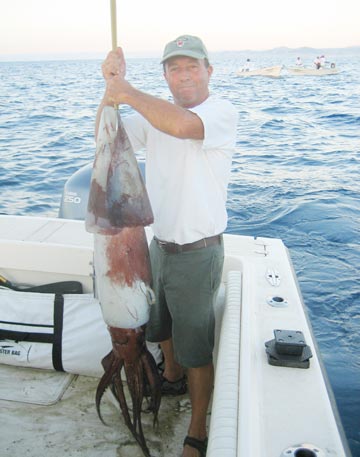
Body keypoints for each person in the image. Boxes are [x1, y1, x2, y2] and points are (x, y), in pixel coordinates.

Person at [97, 35, 238, 457]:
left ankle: (196, 429)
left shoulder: (219, 113)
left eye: (192, 66)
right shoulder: (153, 116)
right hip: (158, 245)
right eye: (175, 68)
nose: (184, 75)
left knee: (196, 344)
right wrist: (110, 89)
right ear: (165, 76)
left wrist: (129, 92)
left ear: (209, 71)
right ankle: (170, 377)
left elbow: (181, 126)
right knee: (157, 327)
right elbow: (107, 137)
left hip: (199, 251)